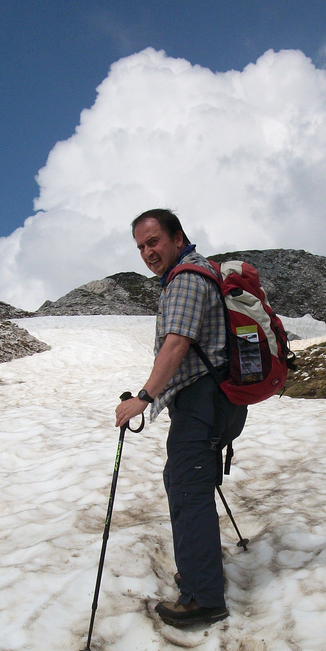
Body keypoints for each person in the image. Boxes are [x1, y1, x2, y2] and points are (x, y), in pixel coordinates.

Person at [115, 209, 247, 628]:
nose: (147, 252)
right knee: (183, 481)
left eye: (153, 241)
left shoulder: (188, 279)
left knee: (189, 491)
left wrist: (144, 397)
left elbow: (177, 344)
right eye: (140, 246)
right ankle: (197, 571)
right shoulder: (195, 273)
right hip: (210, 401)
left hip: (203, 403)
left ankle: (203, 598)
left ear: (177, 237)